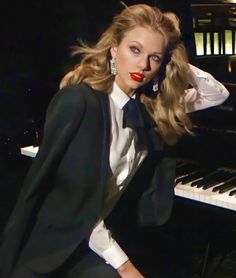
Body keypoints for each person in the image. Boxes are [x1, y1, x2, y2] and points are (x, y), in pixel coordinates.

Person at [0, 3, 229, 278]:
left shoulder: (148, 108)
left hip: (96, 239)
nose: (142, 65)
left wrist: (173, 60)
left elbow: (218, 94)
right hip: (57, 244)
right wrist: (124, 265)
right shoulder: (81, 102)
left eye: (154, 58)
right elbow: (76, 205)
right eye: (134, 50)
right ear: (114, 49)